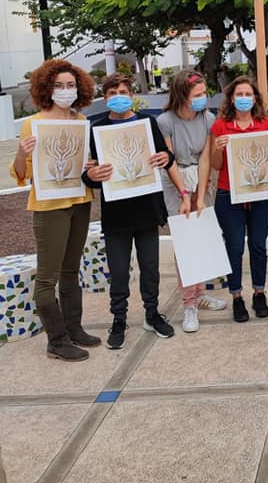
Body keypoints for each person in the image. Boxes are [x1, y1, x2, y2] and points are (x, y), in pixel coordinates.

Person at [9, 59, 99, 362]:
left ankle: (74, 329)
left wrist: (90, 165)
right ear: (47, 88)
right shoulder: (32, 124)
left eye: (70, 85)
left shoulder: (81, 121)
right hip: (49, 207)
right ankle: (57, 340)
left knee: (72, 270)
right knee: (48, 277)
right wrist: (21, 153)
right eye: (59, 85)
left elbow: (84, 165)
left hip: (80, 202)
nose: (65, 90)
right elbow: (21, 173)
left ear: (79, 88)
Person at [84, 73, 176, 350]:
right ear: (105, 98)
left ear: (131, 95)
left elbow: (166, 155)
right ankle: (119, 319)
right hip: (116, 214)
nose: (118, 97)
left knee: (150, 267)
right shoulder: (97, 129)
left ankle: (152, 313)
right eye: (112, 93)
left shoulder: (147, 123)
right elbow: (90, 172)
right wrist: (92, 176)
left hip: (146, 209)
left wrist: (166, 157)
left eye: (123, 92)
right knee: (119, 270)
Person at [157, 69, 227, 334]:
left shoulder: (208, 118)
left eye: (204, 93)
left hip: (200, 177)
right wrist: (185, 195)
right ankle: (189, 304)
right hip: (175, 180)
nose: (202, 98)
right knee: (185, 241)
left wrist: (200, 192)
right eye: (197, 94)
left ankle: (199, 292)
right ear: (182, 95)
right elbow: (169, 160)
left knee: (201, 237)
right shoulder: (165, 121)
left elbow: (206, 157)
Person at [210, 76, 268, 323]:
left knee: (258, 245)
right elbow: (216, 165)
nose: (244, 98)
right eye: (239, 94)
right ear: (231, 98)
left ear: (255, 98)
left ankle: (259, 292)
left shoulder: (265, 124)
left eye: (248, 94)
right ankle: (236, 297)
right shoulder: (220, 126)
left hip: (259, 195)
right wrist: (218, 148)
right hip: (229, 194)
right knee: (234, 246)